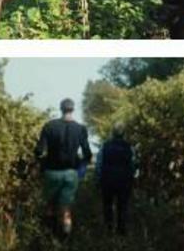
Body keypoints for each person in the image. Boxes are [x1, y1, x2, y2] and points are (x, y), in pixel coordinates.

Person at [35, 98, 92, 236]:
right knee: (66, 209)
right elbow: (87, 154)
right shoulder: (81, 129)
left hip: (51, 172)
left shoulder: (49, 126)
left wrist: (42, 163)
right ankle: (64, 241)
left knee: (50, 206)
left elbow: (38, 151)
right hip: (71, 173)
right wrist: (81, 167)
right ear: (72, 109)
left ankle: (49, 236)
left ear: (61, 108)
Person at [96, 125, 135, 235]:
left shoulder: (105, 146)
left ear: (112, 134)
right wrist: (133, 178)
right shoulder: (129, 147)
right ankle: (121, 229)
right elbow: (134, 164)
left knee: (107, 205)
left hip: (107, 179)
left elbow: (99, 164)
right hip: (124, 180)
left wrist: (98, 178)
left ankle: (109, 228)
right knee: (122, 205)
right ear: (123, 134)